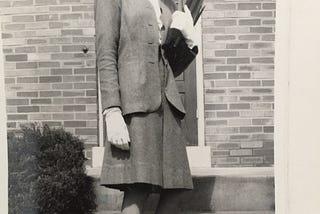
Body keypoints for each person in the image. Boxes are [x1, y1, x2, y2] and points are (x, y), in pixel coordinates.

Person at [95, 0, 198, 213]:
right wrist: (112, 110)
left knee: (175, 188)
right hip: (136, 102)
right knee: (139, 187)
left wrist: (187, 41)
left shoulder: (167, 3)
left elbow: (172, 65)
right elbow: (105, 55)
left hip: (167, 102)